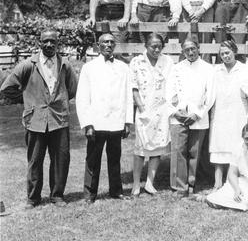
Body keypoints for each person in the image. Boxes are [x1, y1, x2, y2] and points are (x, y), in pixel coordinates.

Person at [0, 29, 78, 209]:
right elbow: (7, 88)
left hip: (59, 119)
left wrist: (60, 101)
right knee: (35, 160)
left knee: (61, 159)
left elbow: (72, 89)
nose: (49, 45)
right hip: (35, 121)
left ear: (58, 43)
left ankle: (57, 195)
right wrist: (28, 99)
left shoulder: (64, 64)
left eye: (53, 41)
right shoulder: (28, 64)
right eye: (46, 41)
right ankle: (33, 197)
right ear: (39, 43)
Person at [76, 33, 133, 203]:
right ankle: (89, 193)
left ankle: (116, 190)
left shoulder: (123, 67)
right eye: (105, 42)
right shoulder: (89, 67)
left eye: (111, 42)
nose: (108, 45)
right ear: (98, 45)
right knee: (93, 159)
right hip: (97, 122)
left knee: (115, 158)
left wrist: (127, 122)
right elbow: (82, 98)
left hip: (116, 121)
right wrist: (87, 123)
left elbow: (128, 96)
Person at [165, 38, 215, 196]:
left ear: (198, 48)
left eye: (193, 49)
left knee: (195, 152)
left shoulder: (208, 68)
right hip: (178, 117)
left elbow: (211, 95)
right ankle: (180, 187)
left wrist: (197, 114)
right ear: (183, 51)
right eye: (187, 50)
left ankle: (192, 184)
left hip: (198, 117)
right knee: (179, 151)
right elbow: (169, 92)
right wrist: (176, 112)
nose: (191, 52)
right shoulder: (176, 68)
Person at [129, 33, 174, 197]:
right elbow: (133, 87)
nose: (156, 49)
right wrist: (141, 108)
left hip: (162, 110)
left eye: (159, 46)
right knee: (140, 149)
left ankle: (149, 183)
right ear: (146, 46)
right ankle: (135, 184)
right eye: (152, 46)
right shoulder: (136, 62)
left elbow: (172, 85)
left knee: (157, 147)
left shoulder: (168, 62)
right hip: (143, 109)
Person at [210, 40, 248, 189]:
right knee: (219, 144)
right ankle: (217, 182)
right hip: (220, 110)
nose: (225, 56)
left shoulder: (244, 69)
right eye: (222, 54)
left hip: (238, 110)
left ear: (235, 52)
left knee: (237, 144)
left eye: (228, 53)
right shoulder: (215, 70)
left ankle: (233, 181)